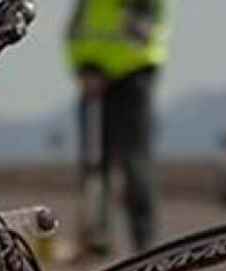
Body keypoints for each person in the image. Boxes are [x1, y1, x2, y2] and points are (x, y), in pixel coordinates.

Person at [67, 0, 171, 257]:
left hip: (132, 77)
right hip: (93, 81)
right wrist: (84, 67)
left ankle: (144, 243)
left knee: (134, 163)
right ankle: (96, 236)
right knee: (93, 165)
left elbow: (144, 30)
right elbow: (75, 31)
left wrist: (109, 67)